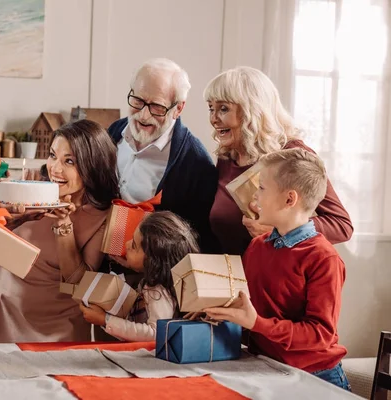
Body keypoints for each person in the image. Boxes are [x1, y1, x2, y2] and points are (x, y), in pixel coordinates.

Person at [204, 148, 350, 391]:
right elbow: (249, 306)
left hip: (315, 377)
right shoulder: (257, 246)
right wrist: (216, 312)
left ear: (289, 199)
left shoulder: (323, 258)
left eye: (261, 188)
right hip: (268, 369)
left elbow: (319, 334)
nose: (254, 198)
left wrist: (257, 323)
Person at [0, 120, 120, 343]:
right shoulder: (31, 190)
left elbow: (76, 282)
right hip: (3, 308)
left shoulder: (104, 216)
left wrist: (64, 224)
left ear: (93, 165)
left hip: (57, 327)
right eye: (52, 156)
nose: (55, 169)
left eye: (69, 161)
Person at [205, 66, 353, 256]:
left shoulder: (293, 155)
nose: (213, 119)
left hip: (277, 281)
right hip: (229, 280)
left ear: (253, 110)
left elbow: (342, 225)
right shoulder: (227, 156)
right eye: (211, 108)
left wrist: (284, 228)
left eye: (223, 109)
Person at [107, 58, 219, 255]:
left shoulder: (196, 163)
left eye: (157, 107)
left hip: (153, 275)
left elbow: (197, 240)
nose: (143, 115)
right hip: (105, 260)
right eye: (138, 101)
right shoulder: (114, 132)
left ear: (178, 108)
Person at [80, 211, 199, 341]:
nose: (127, 245)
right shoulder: (160, 283)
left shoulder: (157, 292)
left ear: (152, 261)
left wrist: (105, 320)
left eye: (134, 246)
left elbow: (155, 334)